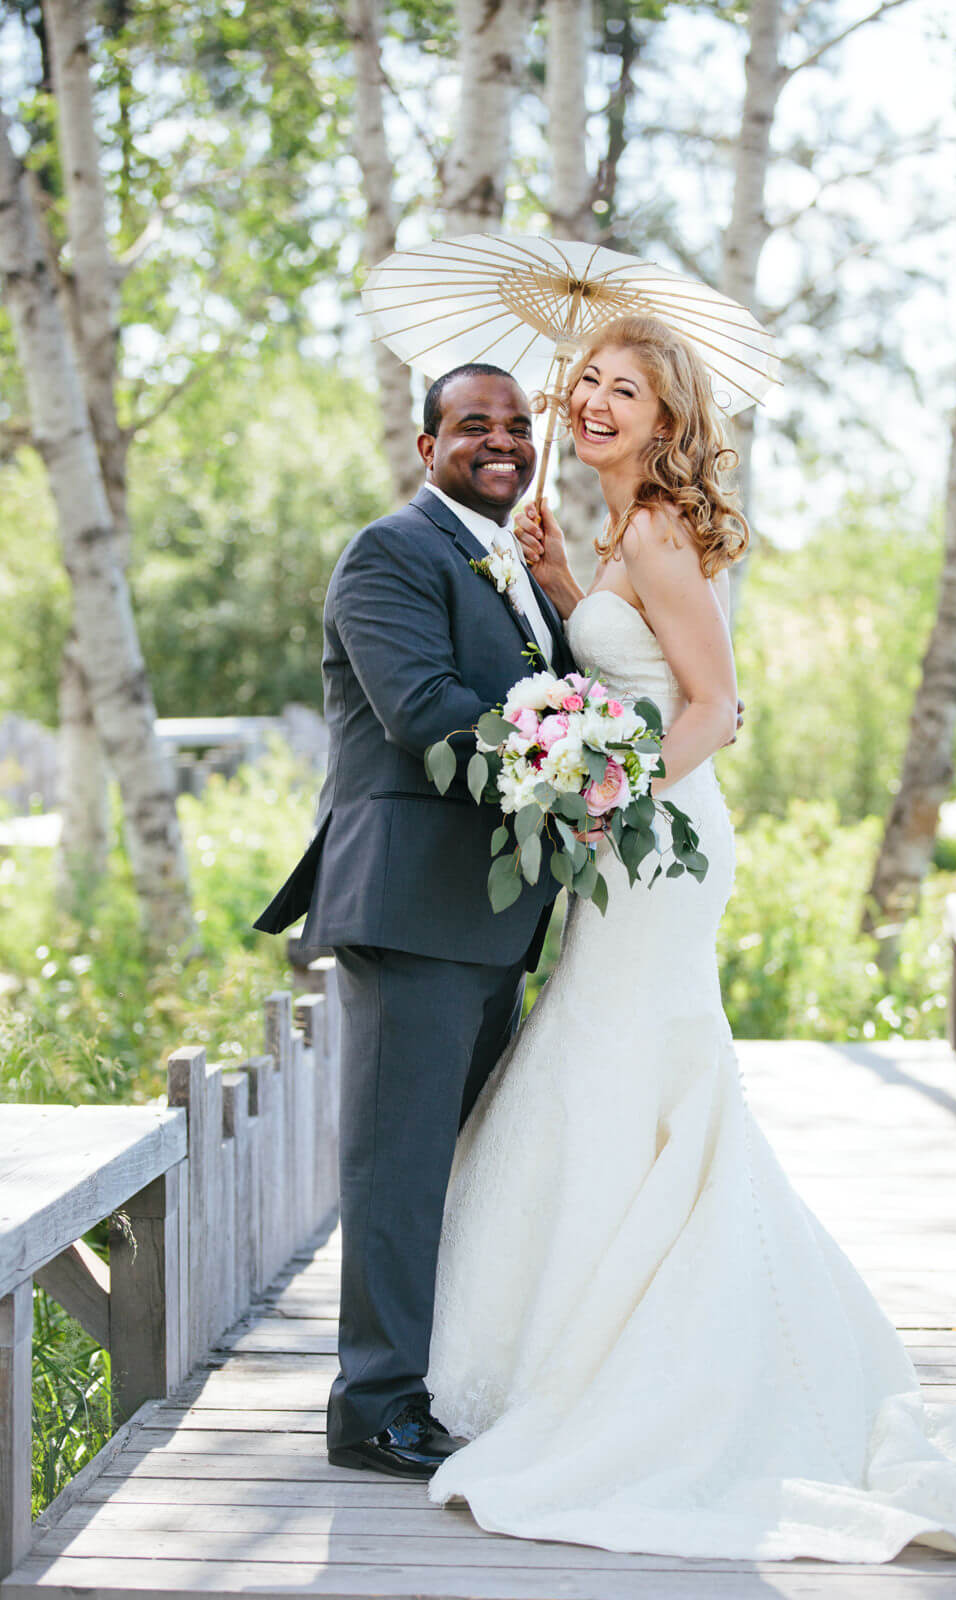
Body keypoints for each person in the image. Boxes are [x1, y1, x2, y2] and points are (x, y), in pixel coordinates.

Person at [423, 315, 956, 1561]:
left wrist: (597, 798)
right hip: (629, 843)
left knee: (613, 1059)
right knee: (615, 1068)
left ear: (667, 424)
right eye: (590, 386)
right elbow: (633, 680)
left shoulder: (658, 529)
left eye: (628, 393)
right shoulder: (612, 535)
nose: (599, 405)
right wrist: (561, 594)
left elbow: (715, 709)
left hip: (657, 849)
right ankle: (580, 1334)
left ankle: (646, 1360)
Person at [253, 363, 577, 1479]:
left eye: (516, 425)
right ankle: (375, 1404)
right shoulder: (390, 552)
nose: (500, 441)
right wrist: (568, 771)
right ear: (425, 441)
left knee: (462, 1163)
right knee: (397, 1168)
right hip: (410, 907)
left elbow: (553, 694)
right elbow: (424, 712)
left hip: (492, 915)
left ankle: (437, 1377)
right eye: (472, 425)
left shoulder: (512, 567)